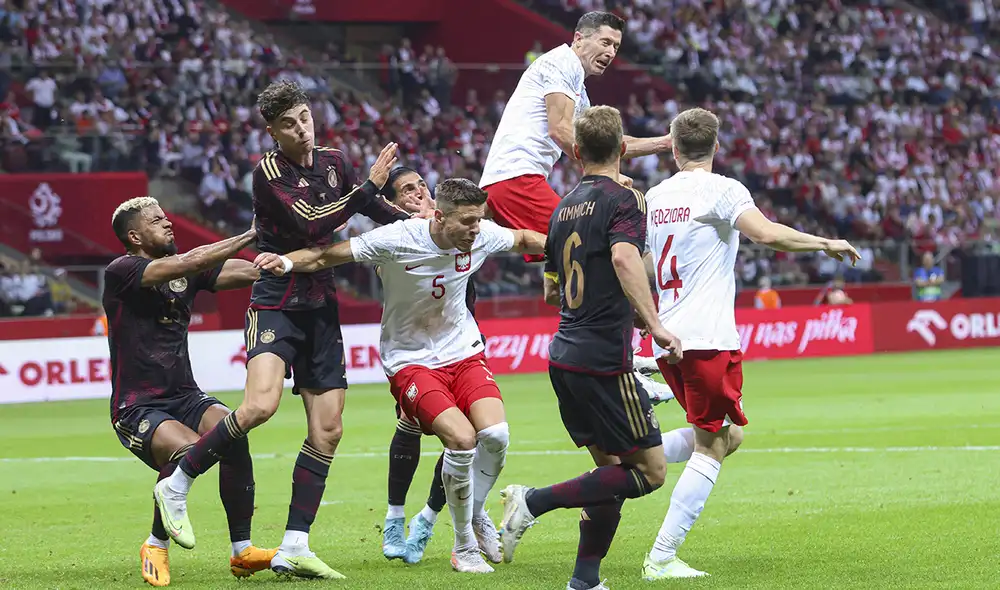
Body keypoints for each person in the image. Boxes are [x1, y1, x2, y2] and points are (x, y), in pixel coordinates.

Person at [152, 80, 409, 580]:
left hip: (321, 305)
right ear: (272, 131)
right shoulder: (267, 172)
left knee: (328, 429)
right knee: (260, 406)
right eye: (289, 124)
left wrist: (423, 225)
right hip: (275, 302)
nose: (302, 129)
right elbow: (314, 224)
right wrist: (372, 186)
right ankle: (178, 482)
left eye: (306, 117)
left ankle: (294, 544)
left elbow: (376, 213)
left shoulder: (335, 162)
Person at [255, 178, 548, 573]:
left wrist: (577, 242)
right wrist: (287, 262)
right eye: (466, 222)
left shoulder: (482, 235)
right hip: (410, 360)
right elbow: (328, 256)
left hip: (463, 352)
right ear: (440, 217)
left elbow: (526, 240)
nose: (475, 230)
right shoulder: (398, 238)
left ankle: (474, 512)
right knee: (461, 440)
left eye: (478, 221)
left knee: (495, 435)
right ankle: (463, 547)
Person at [641, 107, 860, 579]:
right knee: (714, 444)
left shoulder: (654, 197)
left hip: (668, 339)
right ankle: (661, 555)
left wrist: (646, 316)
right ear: (716, 147)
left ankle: (637, 448)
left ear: (673, 148)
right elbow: (767, 235)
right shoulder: (723, 189)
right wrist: (824, 242)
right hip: (706, 339)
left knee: (726, 434)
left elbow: (643, 261)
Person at [496, 106, 682, 590]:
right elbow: (624, 257)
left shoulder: (559, 210)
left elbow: (551, 292)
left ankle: (585, 580)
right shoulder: (626, 198)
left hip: (564, 356)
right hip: (603, 361)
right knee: (650, 472)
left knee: (612, 474)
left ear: (576, 153)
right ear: (622, 149)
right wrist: (654, 323)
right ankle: (532, 501)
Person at [103, 196, 272, 587]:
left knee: (233, 435)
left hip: (185, 396)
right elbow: (190, 262)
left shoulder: (184, 270)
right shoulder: (123, 270)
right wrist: (250, 233)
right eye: (157, 220)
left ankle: (242, 552)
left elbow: (247, 272)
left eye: (166, 217)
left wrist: (287, 257)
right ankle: (155, 544)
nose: (168, 223)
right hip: (137, 406)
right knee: (184, 451)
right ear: (134, 235)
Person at [479, 11, 671, 262]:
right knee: (598, 247)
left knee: (573, 255)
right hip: (517, 179)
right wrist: (607, 177)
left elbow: (605, 145)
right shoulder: (562, 62)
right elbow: (559, 130)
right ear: (579, 38)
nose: (611, 53)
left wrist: (665, 142)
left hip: (515, 181)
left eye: (616, 46)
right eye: (605, 43)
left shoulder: (577, 87)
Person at [377, 167, 449, 564]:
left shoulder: (451, 222)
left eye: (422, 184)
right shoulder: (392, 235)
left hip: (460, 336)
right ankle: (394, 517)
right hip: (414, 346)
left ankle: (429, 518)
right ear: (392, 202)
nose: (419, 191)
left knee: (468, 436)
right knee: (410, 424)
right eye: (408, 189)